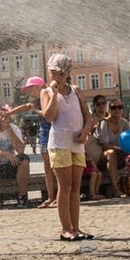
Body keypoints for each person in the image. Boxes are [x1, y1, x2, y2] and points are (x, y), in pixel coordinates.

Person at [39, 53, 94, 241]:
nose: (57, 77)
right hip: (59, 144)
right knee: (65, 186)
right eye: (54, 72)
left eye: (61, 73)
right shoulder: (46, 92)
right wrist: (54, 93)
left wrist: (85, 131)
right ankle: (65, 229)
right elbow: (49, 116)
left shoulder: (76, 90)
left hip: (77, 144)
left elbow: (88, 116)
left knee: (76, 187)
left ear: (68, 73)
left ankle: (76, 227)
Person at [17, 76, 56, 208]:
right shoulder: (36, 101)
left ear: (40, 87)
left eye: (31, 89)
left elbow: (48, 115)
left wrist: (37, 111)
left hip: (57, 136)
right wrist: (9, 112)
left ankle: (59, 197)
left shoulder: (50, 97)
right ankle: (51, 197)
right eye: (27, 90)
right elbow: (24, 107)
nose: (29, 92)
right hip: (45, 137)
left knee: (58, 168)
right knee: (47, 168)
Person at [93, 99, 130, 199]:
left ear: (123, 110)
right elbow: (104, 145)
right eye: (113, 107)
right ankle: (116, 189)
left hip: (119, 153)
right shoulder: (104, 123)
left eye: (119, 107)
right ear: (109, 110)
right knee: (111, 153)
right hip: (101, 156)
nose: (117, 110)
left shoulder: (124, 123)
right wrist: (120, 148)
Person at [83, 94, 108, 200]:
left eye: (103, 103)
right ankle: (93, 193)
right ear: (94, 106)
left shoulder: (109, 118)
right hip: (93, 150)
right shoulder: (92, 119)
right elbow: (86, 136)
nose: (101, 106)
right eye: (98, 104)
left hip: (105, 149)